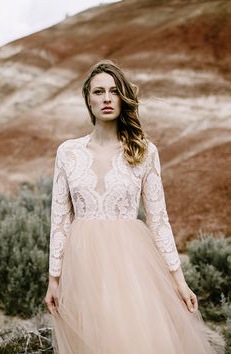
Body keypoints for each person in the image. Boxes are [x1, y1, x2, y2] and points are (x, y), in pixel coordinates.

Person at [44, 60, 216, 354]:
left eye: (114, 91)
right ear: (88, 98)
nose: (107, 98)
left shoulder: (144, 150)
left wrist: (178, 280)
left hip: (132, 264)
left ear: (123, 98)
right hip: (82, 264)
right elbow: (59, 220)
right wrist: (54, 280)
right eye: (99, 91)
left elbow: (159, 220)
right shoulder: (68, 152)